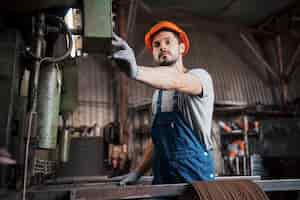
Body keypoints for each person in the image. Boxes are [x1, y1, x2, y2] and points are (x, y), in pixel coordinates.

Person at [112, 21, 215, 185]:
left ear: (181, 48)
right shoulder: (157, 96)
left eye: (168, 42)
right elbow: (157, 141)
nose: (162, 47)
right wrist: (137, 172)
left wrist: (137, 71)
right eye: (156, 45)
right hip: (163, 178)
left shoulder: (199, 77)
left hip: (195, 176)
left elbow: (175, 80)